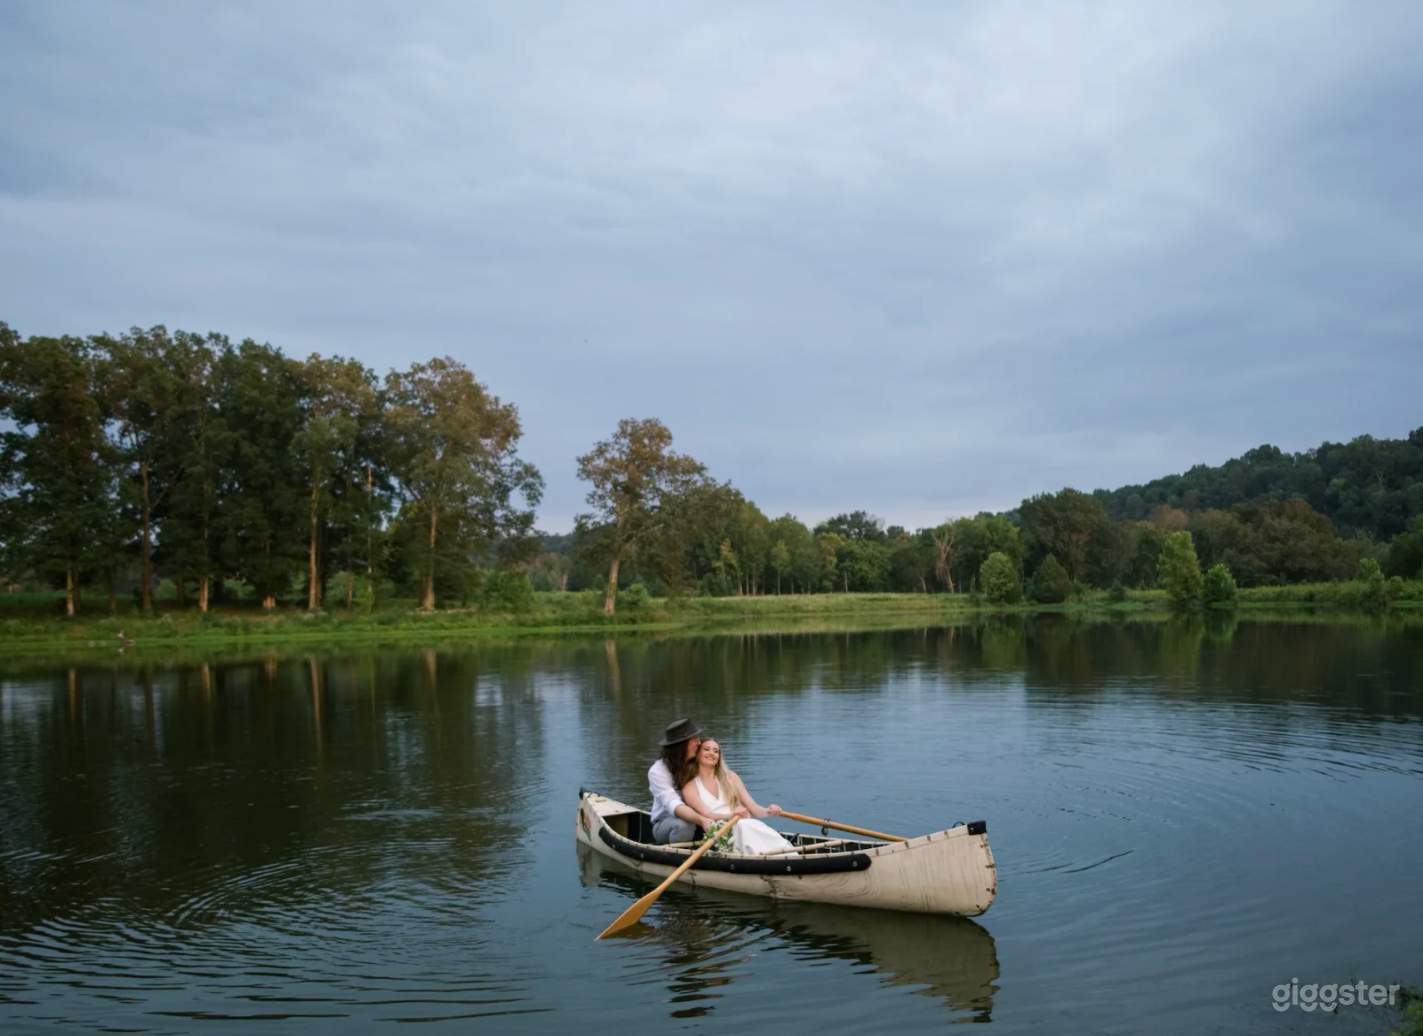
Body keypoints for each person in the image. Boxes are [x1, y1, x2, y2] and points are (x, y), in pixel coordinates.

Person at [681, 738, 793, 855]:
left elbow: (754, 809)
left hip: (742, 823)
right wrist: (731, 816)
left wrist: (769, 811)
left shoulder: (731, 777)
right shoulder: (690, 785)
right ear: (697, 754)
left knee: (749, 824)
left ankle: (787, 852)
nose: (711, 754)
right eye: (706, 749)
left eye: (716, 751)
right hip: (719, 830)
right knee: (743, 825)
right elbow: (706, 814)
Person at [648, 718, 722, 844]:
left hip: (699, 819)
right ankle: (675, 858)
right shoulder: (657, 771)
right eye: (695, 740)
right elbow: (674, 805)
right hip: (667, 823)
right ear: (683, 745)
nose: (699, 743)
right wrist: (702, 820)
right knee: (684, 826)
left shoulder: (696, 762)